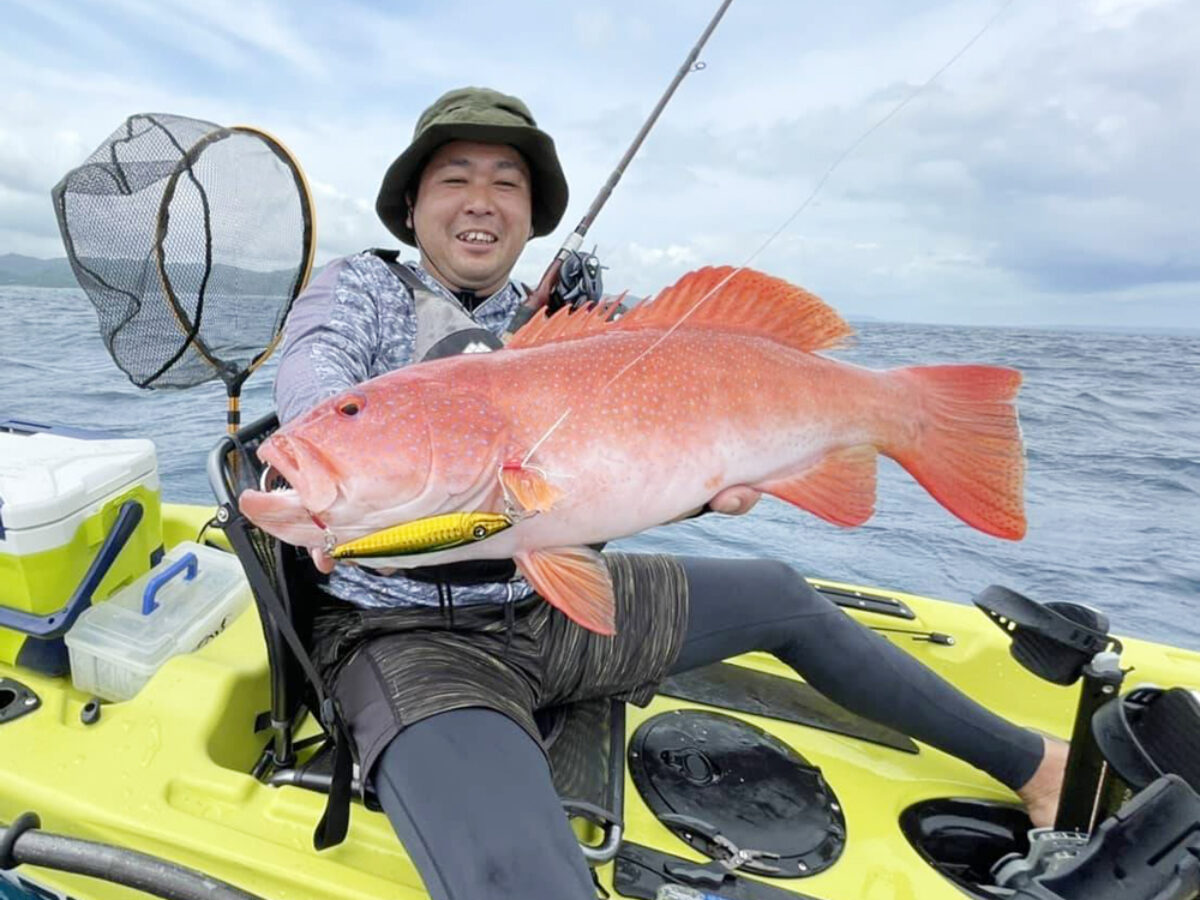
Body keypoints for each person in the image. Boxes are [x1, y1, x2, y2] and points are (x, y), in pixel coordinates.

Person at [273, 86, 1067, 900]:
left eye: (507, 182)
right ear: (411, 205)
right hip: (409, 638)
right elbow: (310, 398)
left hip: (552, 608)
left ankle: (1039, 766)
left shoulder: (553, 321)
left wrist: (701, 487)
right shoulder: (357, 291)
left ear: (531, 210)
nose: (481, 202)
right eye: (454, 179)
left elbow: (630, 454)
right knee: (525, 883)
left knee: (782, 595)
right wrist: (336, 448)